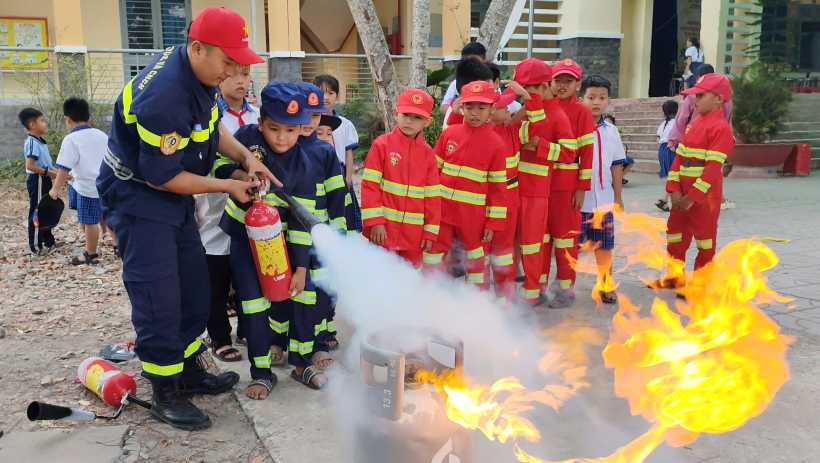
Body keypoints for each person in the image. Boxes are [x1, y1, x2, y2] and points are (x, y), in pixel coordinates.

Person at [97, 7, 277, 430]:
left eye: (240, 62)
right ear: (197, 48)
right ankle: (164, 391)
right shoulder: (163, 97)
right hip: (140, 197)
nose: (234, 71)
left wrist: (248, 157)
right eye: (228, 61)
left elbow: (211, 130)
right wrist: (228, 186)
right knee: (158, 295)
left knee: (194, 286)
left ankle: (188, 371)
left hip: (171, 197)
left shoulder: (201, 74)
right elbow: (162, 177)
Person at [217, 82, 336, 395]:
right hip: (245, 239)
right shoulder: (244, 140)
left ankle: (301, 363)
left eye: (291, 130)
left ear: (302, 129)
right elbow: (216, 164)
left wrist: (299, 268)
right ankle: (261, 373)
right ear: (260, 123)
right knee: (254, 303)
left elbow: (300, 222)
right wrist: (240, 175)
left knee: (304, 296)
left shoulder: (307, 164)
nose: (281, 138)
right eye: (273, 128)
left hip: (284, 243)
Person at [195, 65, 260, 363]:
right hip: (214, 205)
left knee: (248, 274)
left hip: (252, 207)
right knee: (216, 277)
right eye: (234, 75)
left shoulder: (258, 116)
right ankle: (219, 335)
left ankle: (247, 329)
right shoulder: (208, 113)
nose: (241, 81)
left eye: (246, 75)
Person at [651, 74, 735, 295]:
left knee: (705, 242)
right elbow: (679, 159)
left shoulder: (721, 129)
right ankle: (674, 278)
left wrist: (692, 197)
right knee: (675, 236)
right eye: (695, 95)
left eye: (701, 95)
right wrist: (674, 190)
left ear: (719, 99)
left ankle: (699, 286)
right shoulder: (694, 124)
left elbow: (712, 169)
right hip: (682, 196)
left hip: (705, 199)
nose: (695, 100)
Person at [424, 81, 508, 289]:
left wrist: (493, 223)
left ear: (492, 109)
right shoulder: (449, 134)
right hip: (442, 211)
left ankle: (477, 304)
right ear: (462, 107)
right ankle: (429, 297)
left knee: (476, 259)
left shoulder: (496, 144)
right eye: (469, 107)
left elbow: (499, 189)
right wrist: (428, 207)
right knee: (433, 253)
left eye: (482, 107)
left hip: (473, 216)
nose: (475, 113)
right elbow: (433, 172)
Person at [508, 58, 577, 307]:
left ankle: (532, 291)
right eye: (522, 91)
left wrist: (540, 146)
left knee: (532, 243)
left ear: (545, 87)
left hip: (537, 189)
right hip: (514, 187)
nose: (527, 96)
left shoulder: (557, 115)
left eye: (531, 90)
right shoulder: (525, 110)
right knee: (521, 242)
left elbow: (570, 154)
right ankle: (529, 288)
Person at [362, 88, 440, 273]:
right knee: (381, 277)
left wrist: (430, 230)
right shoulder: (381, 144)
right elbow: (370, 186)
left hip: (414, 235)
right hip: (384, 231)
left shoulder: (428, 154)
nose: (409, 121)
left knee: (409, 280)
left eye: (417, 117)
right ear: (396, 114)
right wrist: (375, 222)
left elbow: (432, 197)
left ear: (428, 122)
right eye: (405, 114)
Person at [297, 82, 348, 350]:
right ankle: (288, 339)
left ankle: (320, 334)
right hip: (291, 235)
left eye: (315, 116)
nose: (308, 121)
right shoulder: (283, 146)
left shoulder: (325, 152)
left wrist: (336, 234)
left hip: (321, 232)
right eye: (304, 114)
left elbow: (337, 197)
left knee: (323, 283)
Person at [578, 76, 627, 304]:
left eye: (602, 98)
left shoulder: (611, 132)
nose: (596, 102)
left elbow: (617, 165)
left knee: (604, 245)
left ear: (608, 100)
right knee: (568, 246)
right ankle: (562, 286)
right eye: (591, 97)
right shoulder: (572, 127)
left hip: (604, 199)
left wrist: (617, 196)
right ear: (581, 98)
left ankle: (606, 284)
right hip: (577, 200)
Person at [48, 98, 114, 265]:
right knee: (111, 217)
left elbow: (63, 168)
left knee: (90, 222)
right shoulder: (101, 135)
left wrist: (55, 189)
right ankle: (119, 246)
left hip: (86, 188)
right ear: (89, 118)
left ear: (67, 119)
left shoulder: (71, 139)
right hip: (106, 186)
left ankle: (91, 254)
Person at [668, 64, 736, 210]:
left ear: (698, 78)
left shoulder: (693, 98)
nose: (697, 98)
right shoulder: (726, 101)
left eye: (701, 95)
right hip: (700, 141)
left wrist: (673, 139)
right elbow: (729, 120)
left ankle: (715, 199)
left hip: (706, 142)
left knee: (710, 171)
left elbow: (681, 119)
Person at [313, 75, 362, 234]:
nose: (326, 98)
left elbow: (348, 152)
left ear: (338, 96)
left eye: (331, 93)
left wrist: (348, 178)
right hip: (316, 170)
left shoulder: (345, 124)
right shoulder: (309, 122)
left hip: (339, 171)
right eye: (321, 93)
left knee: (343, 206)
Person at [19, 107, 57, 256]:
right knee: (37, 211)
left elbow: (47, 164)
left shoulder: (41, 142)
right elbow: (30, 166)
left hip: (45, 179)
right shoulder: (32, 142)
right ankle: (35, 245)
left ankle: (48, 241)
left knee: (47, 210)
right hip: (39, 180)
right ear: (32, 125)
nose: (45, 124)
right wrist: (49, 173)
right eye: (42, 121)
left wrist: (59, 173)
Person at [439, 42, 488, 116]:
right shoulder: (456, 83)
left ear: (485, 62)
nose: (471, 65)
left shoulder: (489, 82)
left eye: (475, 62)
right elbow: (443, 107)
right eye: (467, 62)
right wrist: (460, 111)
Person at [655, 100, 679, 212]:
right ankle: (665, 199)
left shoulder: (662, 125)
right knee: (676, 176)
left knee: (672, 176)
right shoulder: (678, 123)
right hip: (672, 149)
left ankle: (666, 201)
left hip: (662, 150)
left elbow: (658, 139)